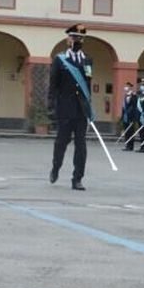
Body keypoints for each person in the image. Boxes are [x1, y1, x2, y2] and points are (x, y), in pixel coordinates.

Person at [49, 24, 93, 191]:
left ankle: (77, 178)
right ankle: (56, 167)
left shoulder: (88, 60)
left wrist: (89, 108)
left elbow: (87, 85)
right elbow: (53, 86)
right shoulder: (59, 59)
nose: (77, 40)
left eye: (80, 38)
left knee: (81, 145)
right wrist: (51, 107)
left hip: (81, 110)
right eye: (74, 37)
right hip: (64, 109)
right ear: (68, 39)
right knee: (61, 143)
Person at [120, 82, 139, 151]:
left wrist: (133, 117)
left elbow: (134, 106)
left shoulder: (133, 95)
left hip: (131, 116)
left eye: (127, 86)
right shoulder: (125, 95)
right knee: (126, 131)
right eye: (126, 86)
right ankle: (127, 145)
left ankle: (131, 146)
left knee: (130, 131)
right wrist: (122, 116)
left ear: (130, 87)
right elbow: (123, 107)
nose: (126, 87)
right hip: (125, 116)